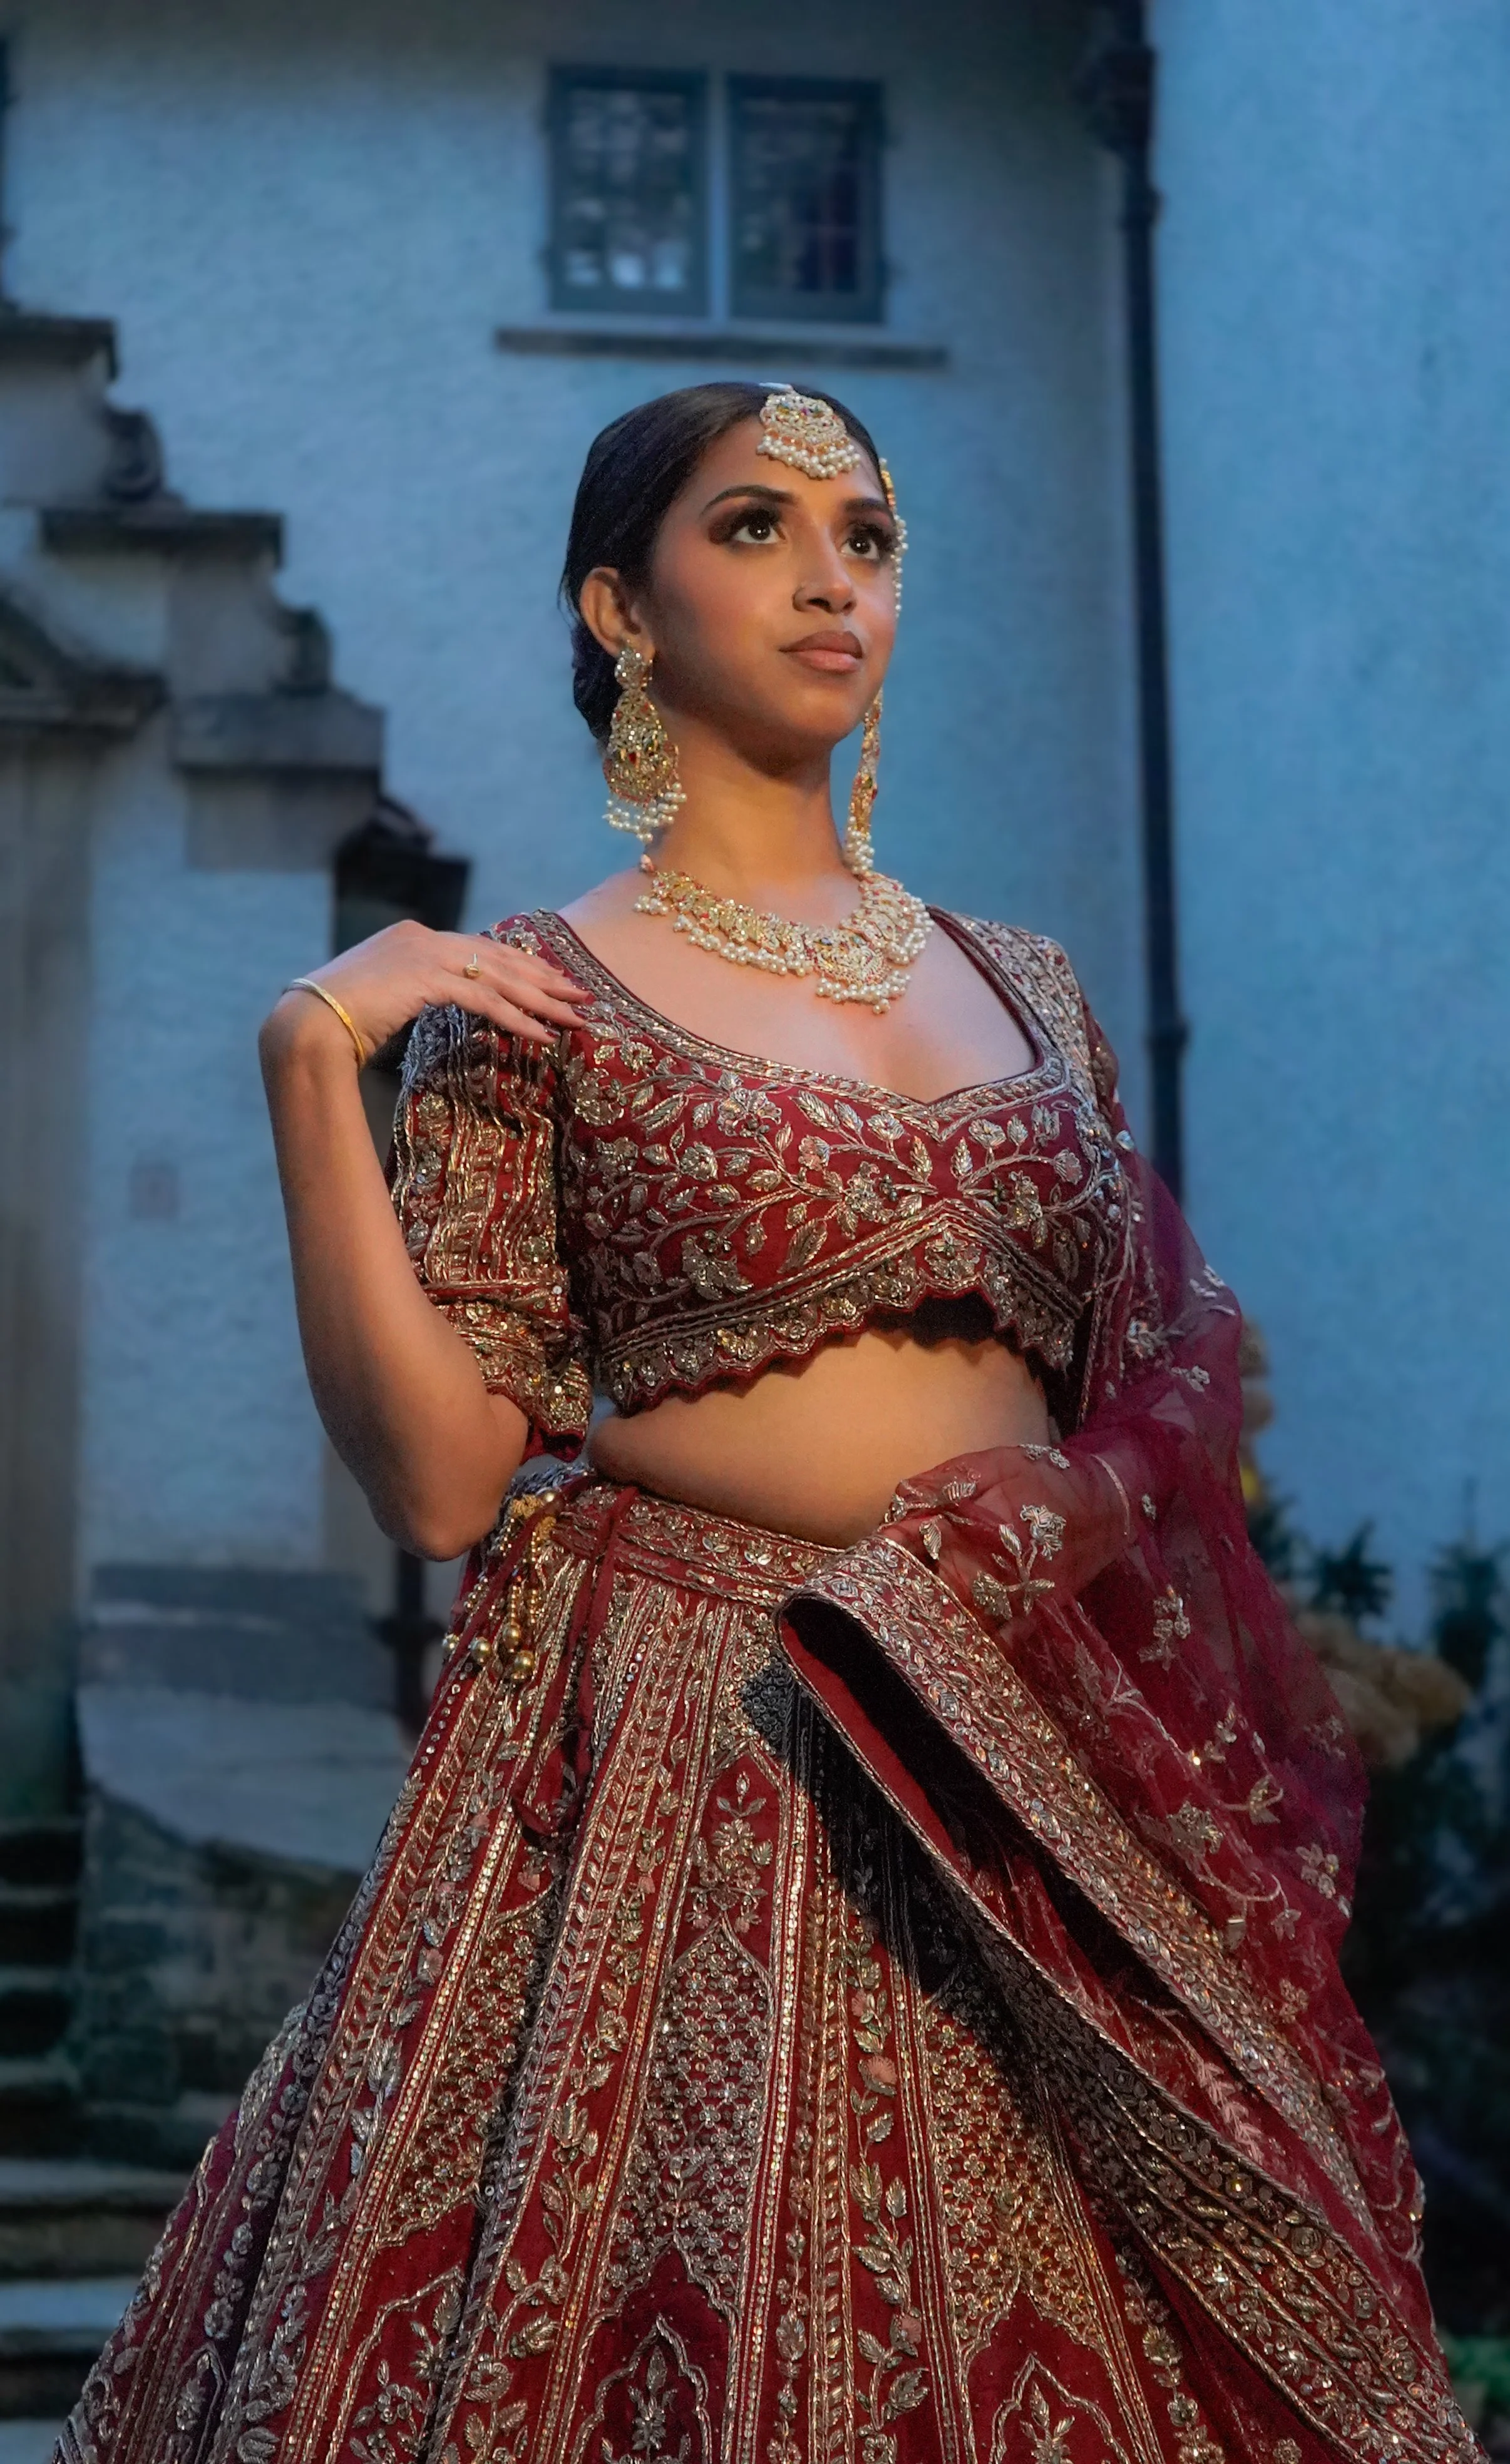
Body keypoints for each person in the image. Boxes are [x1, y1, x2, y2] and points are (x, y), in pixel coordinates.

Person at [59, 384, 1475, 2464]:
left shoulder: (1032, 986)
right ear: (619, 608)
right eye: (757, 528)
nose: (832, 576)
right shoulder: (524, 996)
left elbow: (1168, 1387)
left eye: (869, 536)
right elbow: (448, 1474)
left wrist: (1043, 1521)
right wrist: (307, 1062)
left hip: (1030, 1754)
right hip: (701, 1738)